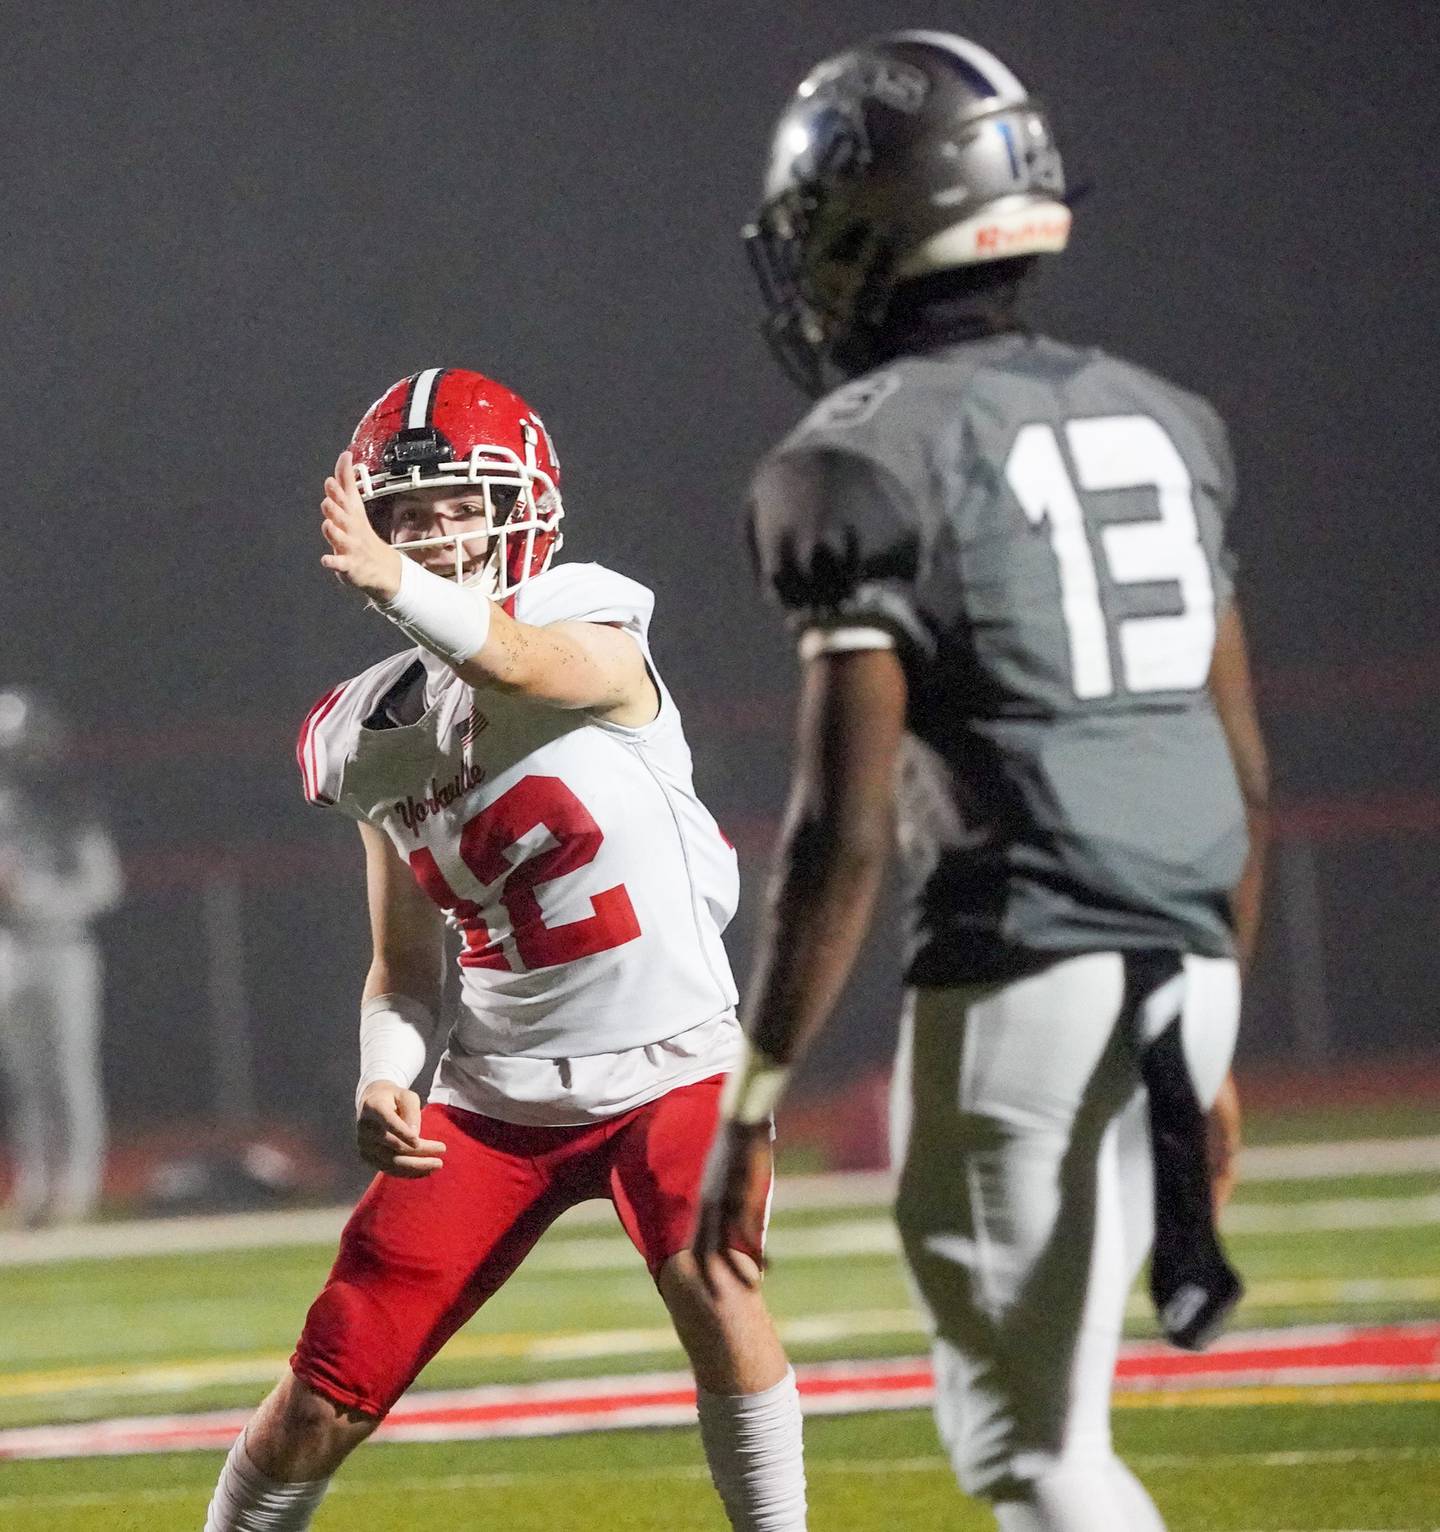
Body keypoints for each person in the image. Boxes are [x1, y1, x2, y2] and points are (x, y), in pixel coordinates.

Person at [693, 32, 1269, 1532]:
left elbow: (844, 822)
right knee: (1055, 1430)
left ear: (867, 227)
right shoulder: (1167, 418)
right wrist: (1213, 1032)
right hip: (1188, 954)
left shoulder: (857, 460)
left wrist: (752, 1097)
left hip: (1028, 967)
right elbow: (1244, 773)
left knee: (1032, 1451)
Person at [203, 368, 807, 1532]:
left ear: (523, 503)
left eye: (459, 503)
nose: (435, 531)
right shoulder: (364, 729)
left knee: (713, 1285)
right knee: (325, 1384)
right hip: (494, 1099)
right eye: (410, 513)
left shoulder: (589, 614)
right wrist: (386, 1070)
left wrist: (396, 583)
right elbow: (409, 963)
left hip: (677, 1061)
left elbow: (524, 668)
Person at [0, 688, 123, 1227]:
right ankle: (32, 1183)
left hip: (62, 945)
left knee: (69, 1072)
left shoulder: (72, 807)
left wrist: (34, 897)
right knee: (23, 1077)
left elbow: (103, 886)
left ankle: (77, 1185)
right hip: (8, 947)